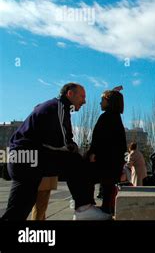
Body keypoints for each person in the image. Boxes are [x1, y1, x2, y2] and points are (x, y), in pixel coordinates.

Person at [2, 83, 110, 220]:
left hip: (22, 160)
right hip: (28, 158)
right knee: (75, 161)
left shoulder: (56, 108)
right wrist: (76, 151)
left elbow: (62, 139)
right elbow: (62, 141)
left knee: (19, 208)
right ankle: (83, 209)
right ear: (70, 94)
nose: (84, 101)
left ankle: (84, 207)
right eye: (82, 96)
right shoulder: (58, 107)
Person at [86, 86, 127, 215]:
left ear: (109, 102)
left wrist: (92, 153)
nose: (100, 102)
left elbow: (98, 138)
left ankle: (89, 207)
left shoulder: (106, 117)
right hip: (113, 162)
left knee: (86, 179)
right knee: (108, 187)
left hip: (103, 161)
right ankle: (106, 209)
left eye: (102, 99)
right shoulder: (116, 118)